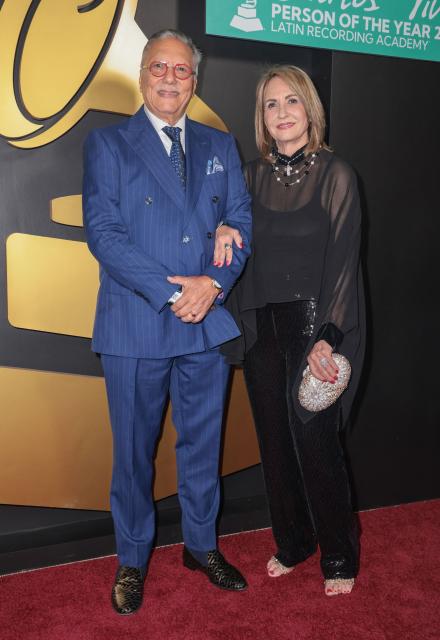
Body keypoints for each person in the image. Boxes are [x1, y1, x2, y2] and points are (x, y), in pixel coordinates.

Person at [83, 29, 252, 615]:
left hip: (205, 320)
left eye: (182, 70)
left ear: (194, 80)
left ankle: (201, 545)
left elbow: (240, 221)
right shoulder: (107, 145)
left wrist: (214, 284)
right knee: (133, 451)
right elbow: (104, 235)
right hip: (135, 321)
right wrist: (168, 292)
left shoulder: (219, 145)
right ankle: (131, 558)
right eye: (160, 67)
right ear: (142, 74)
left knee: (203, 445)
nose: (170, 79)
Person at [216, 65, 365, 596]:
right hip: (260, 324)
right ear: (262, 117)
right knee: (274, 442)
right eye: (270, 104)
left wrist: (329, 334)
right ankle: (295, 540)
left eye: (291, 102)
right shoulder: (249, 177)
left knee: (315, 440)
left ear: (310, 110)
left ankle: (340, 553)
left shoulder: (337, 174)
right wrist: (225, 227)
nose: (281, 113)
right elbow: (228, 232)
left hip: (314, 322)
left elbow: (345, 263)